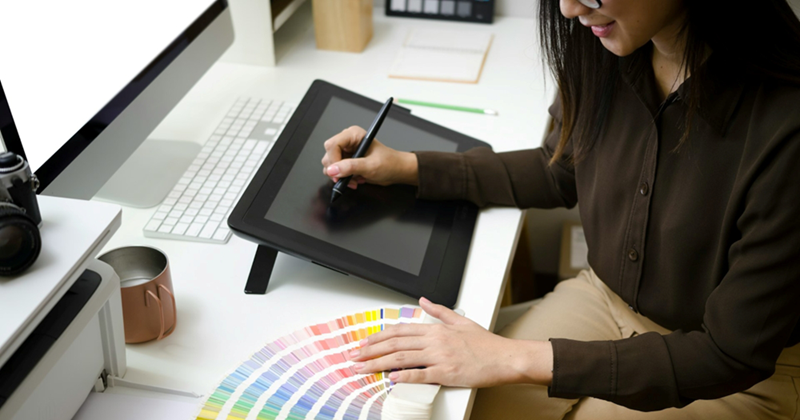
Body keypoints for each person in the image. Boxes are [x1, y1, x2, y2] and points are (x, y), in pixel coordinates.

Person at [320, 0, 800, 418]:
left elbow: (730, 355)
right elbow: (559, 169)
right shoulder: (603, 40)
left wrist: (510, 358)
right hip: (603, 299)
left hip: (733, 369)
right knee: (462, 407)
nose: (570, 10)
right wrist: (406, 167)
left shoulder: (785, 124)